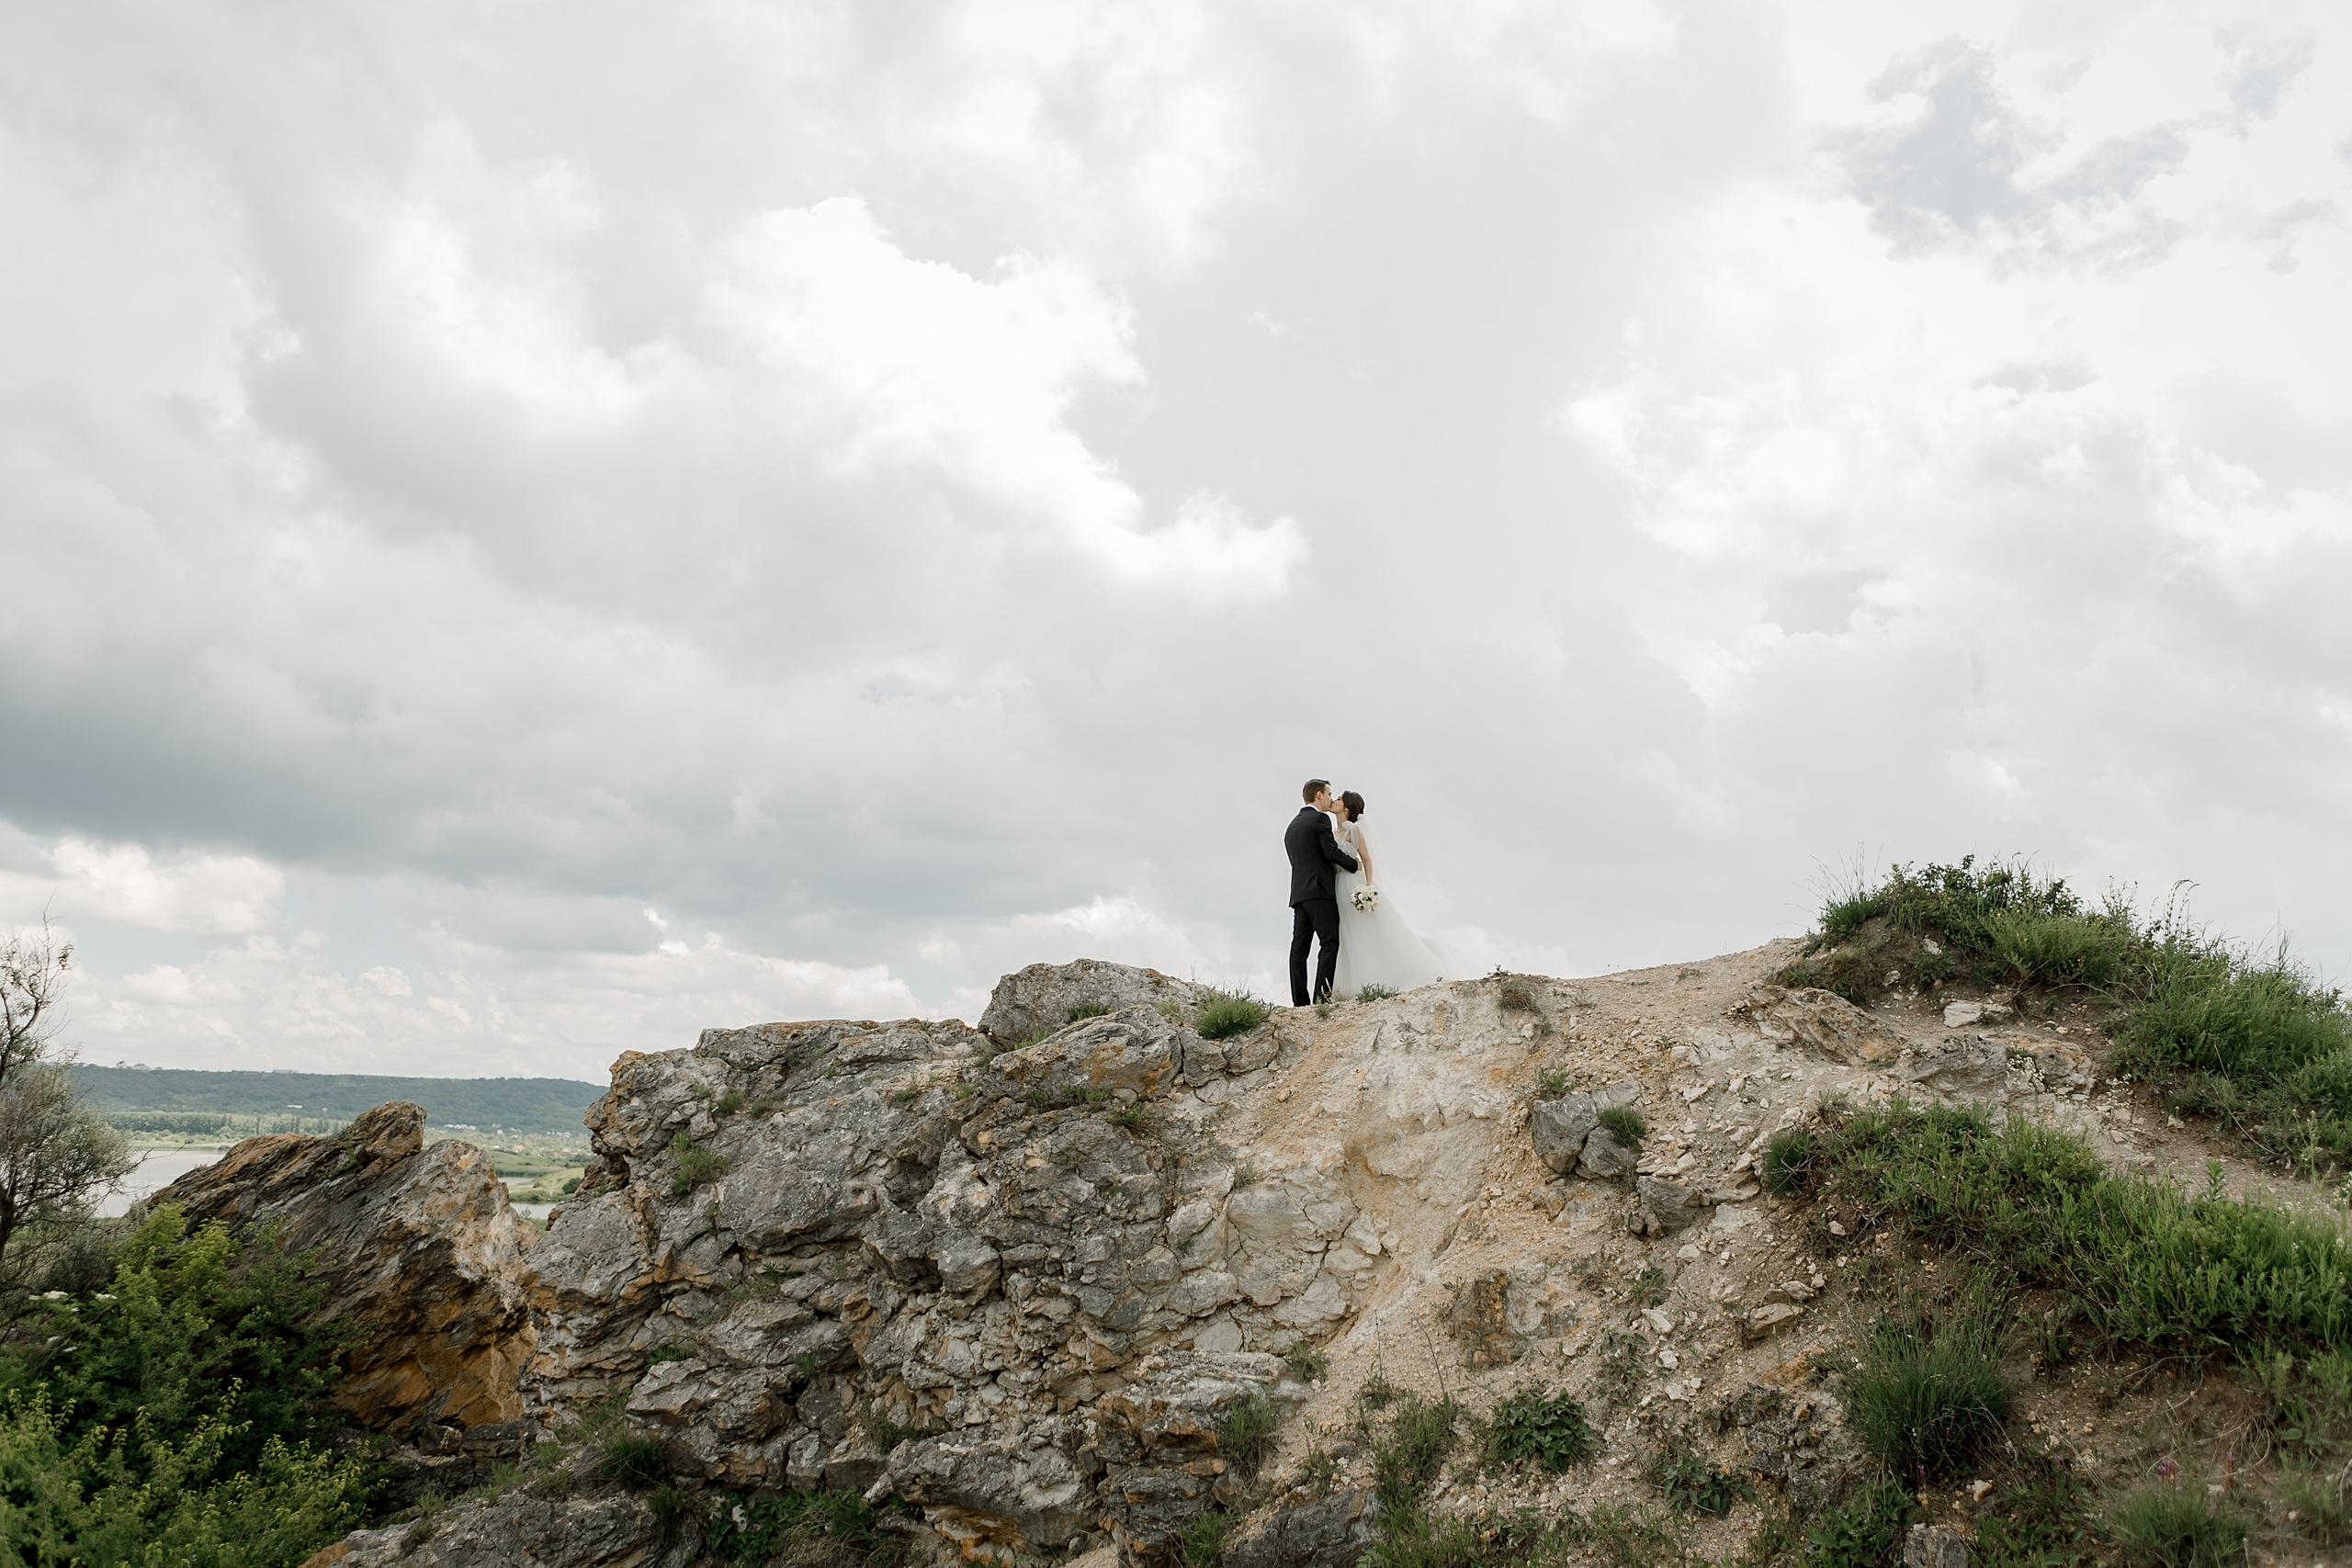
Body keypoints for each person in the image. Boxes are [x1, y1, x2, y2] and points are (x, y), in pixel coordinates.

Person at [1330, 790, 1447, 998]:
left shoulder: (1354, 829)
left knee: (1364, 931)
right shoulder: (1333, 832)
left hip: (1352, 883)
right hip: (1337, 885)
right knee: (1345, 933)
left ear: (1347, 808)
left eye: (1339, 799)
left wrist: (1367, 887)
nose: (1334, 800)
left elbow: (1366, 859)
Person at [1284, 778, 1358, 1006]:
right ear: (1318, 795)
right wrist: (1354, 864)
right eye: (1329, 794)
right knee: (1329, 943)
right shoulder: (1320, 818)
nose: (1330, 798)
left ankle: (1300, 1002)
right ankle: (1321, 999)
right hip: (1320, 891)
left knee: (1299, 949)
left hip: (1299, 895)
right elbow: (1330, 851)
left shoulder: (1292, 826)